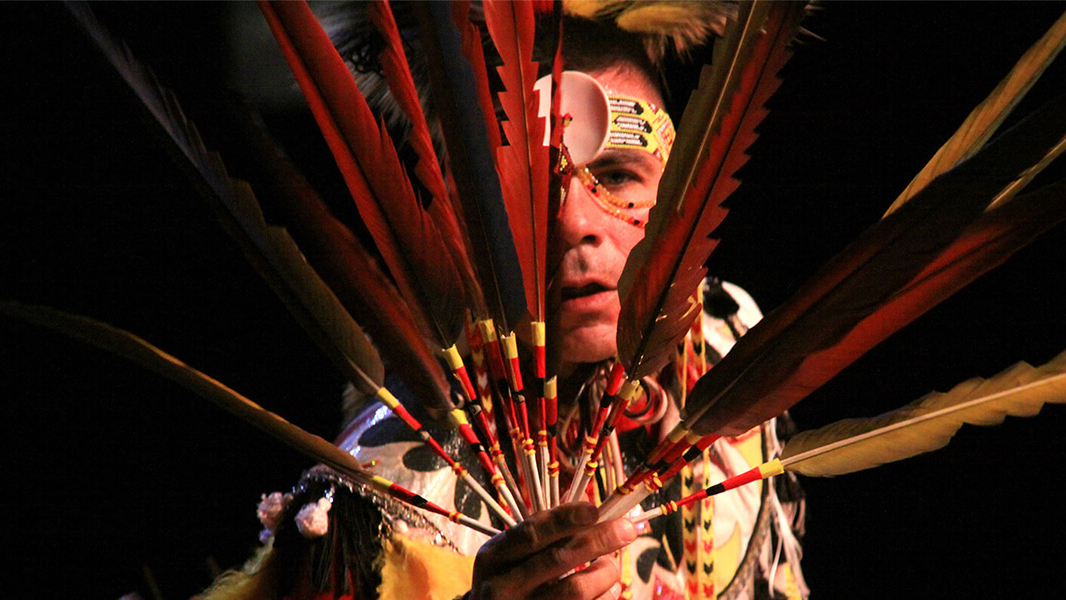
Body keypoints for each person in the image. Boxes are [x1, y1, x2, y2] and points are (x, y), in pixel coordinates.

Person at [204, 5, 807, 600]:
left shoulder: (728, 340)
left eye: (617, 176)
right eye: (530, 195)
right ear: (463, 219)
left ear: (681, 188)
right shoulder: (379, 501)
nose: (574, 223)